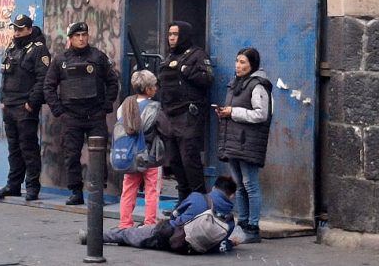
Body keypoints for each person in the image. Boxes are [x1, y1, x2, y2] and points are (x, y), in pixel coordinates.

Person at [44, 21, 119, 205]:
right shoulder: (60, 60)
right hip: (71, 116)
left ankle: (97, 192)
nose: (81, 38)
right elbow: (49, 86)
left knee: (99, 155)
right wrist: (58, 110)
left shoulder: (98, 57)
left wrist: (106, 105)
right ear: (70, 38)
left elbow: (112, 82)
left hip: (95, 115)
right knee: (71, 155)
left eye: (84, 35)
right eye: (77, 36)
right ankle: (76, 192)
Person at [83, 175, 242, 254]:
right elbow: (220, 245)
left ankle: (93, 236)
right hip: (191, 248)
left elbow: (174, 216)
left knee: (127, 233)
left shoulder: (198, 198)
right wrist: (231, 244)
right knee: (137, 234)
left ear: (214, 188)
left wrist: (167, 222)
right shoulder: (229, 220)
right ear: (232, 196)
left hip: (168, 236)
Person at [215, 47, 273, 244]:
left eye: (243, 63)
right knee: (239, 185)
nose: (238, 66)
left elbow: (261, 114)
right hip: (234, 141)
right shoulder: (236, 83)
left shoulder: (258, 85)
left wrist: (233, 112)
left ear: (252, 65)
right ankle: (243, 223)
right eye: (237, 61)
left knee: (250, 185)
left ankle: (253, 227)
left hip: (248, 142)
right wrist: (225, 112)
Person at [0, 14, 50, 202]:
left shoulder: (38, 50)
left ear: (29, 29)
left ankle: (32, 187)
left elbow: (43, 79)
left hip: (25, 107)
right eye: (15, 29)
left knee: (29, 148)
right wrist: (3, 99)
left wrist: (31, 103)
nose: (16, 32)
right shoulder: (12, 47)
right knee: (14, 148)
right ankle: (13, 185)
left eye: (20, 29)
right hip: (9, 105)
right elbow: (5, 76)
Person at [157, 21, 213, 206]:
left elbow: (207, 78)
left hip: (189, 115)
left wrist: (186, 70)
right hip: (170, 115)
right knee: (174, 160)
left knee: (190, 158)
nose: (172, 37)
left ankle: (200, 202)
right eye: (170, 34)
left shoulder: (197, 55)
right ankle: (183, 202)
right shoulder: (169, 57)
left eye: (176, 34)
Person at [116, 70, 162, 228]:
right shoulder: (155, 107)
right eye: (154, 86)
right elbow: (164, 129)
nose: (156, 88)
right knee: (152, 191)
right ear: (148, 89)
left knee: (128, 189)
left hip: (130, 154)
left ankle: (125, 223)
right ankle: (150, 223)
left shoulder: (125, 106)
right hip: (150, 155)